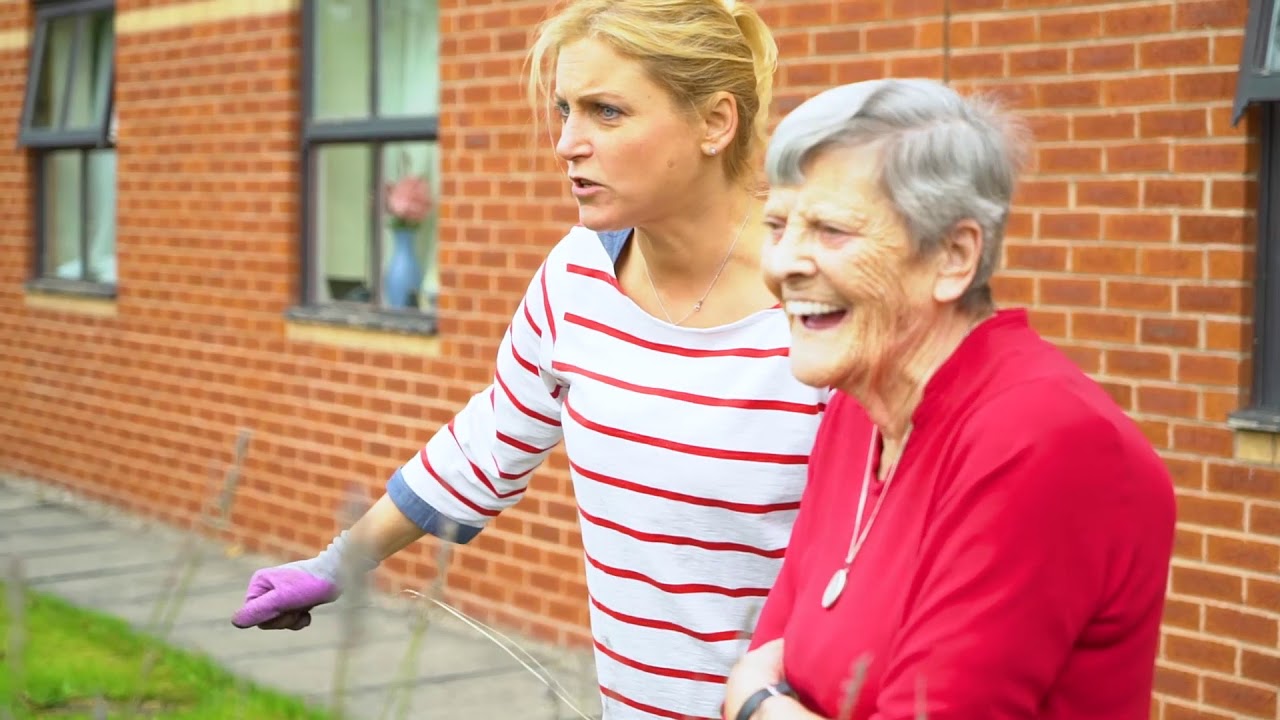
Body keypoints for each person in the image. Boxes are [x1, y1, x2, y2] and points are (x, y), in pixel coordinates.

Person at [231, 1, 829, 718]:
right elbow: (487, 442)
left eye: (607, 112)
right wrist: (338, 562)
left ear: (715, 123)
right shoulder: (577, 275)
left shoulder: (817, 301)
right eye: (565, 110)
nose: (568, 143)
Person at [721, 78, 1177, 720]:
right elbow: (783, 644)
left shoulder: (1047, 442)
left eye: (830, 230)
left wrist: (754, 704)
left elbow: (763, 673)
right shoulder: (861, 405)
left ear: (953, 257)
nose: (784, 263)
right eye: (777, 225)